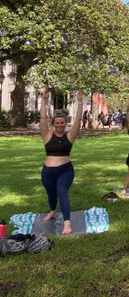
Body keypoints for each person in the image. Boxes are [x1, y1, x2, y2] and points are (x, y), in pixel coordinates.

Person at [39, 87, 83, 235]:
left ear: (65, 123)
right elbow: (43, 119)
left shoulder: (70, 136)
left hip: (65, 170)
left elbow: (78, 121)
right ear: (53, 124)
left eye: (62, 122)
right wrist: (44, 100)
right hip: (47, 172)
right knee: (51, 195)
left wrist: (80, 102)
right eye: (57, 123)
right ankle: (52, 211)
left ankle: (67, 223)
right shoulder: (47, 135)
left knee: (62, 192)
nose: (59, 125)